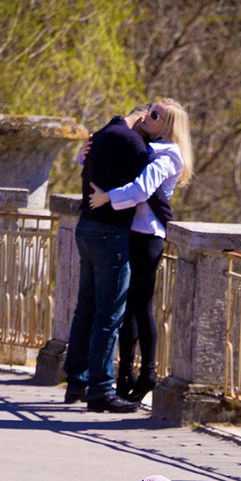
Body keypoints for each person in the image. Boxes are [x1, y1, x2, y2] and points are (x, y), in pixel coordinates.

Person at [89, 98, 194, 403]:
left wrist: (108, 197)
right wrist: (85, 155)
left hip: (147, 236)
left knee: (140, 305)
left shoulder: (169, 154)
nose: (147, 116)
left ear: (168, 126)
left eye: (156, 114)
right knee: (124, 306)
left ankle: (148, 372)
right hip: (127, 232)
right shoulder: (142, 143)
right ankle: (124, 374)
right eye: (149, 110)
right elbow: (109, 162)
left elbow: (142, 189)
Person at [63, 107, 152, 413]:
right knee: (108, 316)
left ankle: (76, 382)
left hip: (85, 227)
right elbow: (145, 186)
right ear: (141, 119)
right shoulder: (132, 142)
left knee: (85, 310)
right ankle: (100, 391)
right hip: (110, 234)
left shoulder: (100, 135)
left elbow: (86, 165)